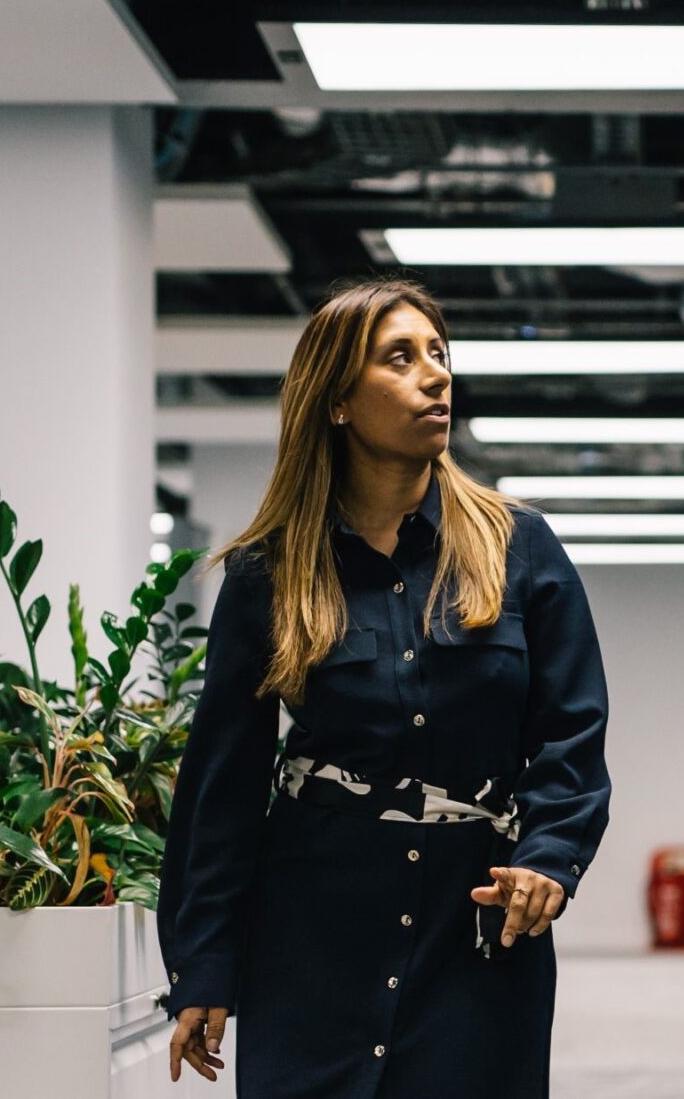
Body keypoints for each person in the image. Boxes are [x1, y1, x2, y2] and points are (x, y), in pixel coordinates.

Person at [155, 278, 613, 1098]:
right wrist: (205, 964)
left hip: (474, 938)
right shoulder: (269, 573)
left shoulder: (520, 548)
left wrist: (548, 858)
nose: (436, 374)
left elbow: (571, 736)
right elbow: (222, 785)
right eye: (400, 358)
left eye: (438, 353)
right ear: (337, 400)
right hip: (312, 937)